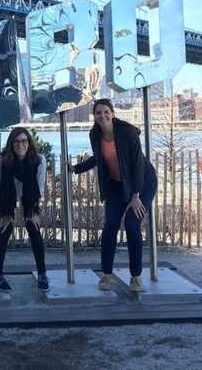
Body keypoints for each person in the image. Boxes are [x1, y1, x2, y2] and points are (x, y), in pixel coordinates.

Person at [71, 98, 157, 293]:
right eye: (98, 113)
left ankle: (135, 277)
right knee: (110, 226)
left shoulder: (127, 132)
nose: (102, 116)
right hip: (117, 185)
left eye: (106, 112)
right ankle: (106, 275)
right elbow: (97, 158)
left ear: (112, 113)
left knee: (132, 224)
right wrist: (76, 168)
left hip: (142, 182)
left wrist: (135, 196)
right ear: (95, 116)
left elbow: (136, 165)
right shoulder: (95, 134)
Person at [0, 127, 49, 293]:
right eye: (16, 141)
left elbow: (39, 186)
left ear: (29, 143)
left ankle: (42, 274)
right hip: (8, 193)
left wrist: (33, 212)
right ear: (11, 143)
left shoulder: (39, 160)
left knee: (33, 226)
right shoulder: (1, 161)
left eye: (24, 141)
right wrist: (4, 212)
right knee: (5, 228)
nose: (20, 144)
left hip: (30, 192)